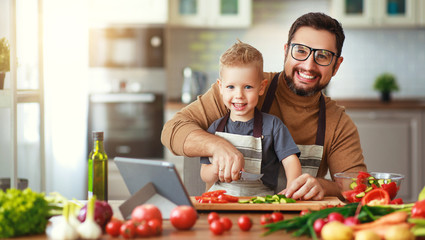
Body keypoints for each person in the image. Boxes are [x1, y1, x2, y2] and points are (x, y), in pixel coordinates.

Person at [161, 12, 367, 200]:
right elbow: (172, 130)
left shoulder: (338, 123)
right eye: (301, 51)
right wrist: (217, 146)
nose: (308, 65)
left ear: (336, 65)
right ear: (286, 51)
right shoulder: (241, 90)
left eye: (322, 56)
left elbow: (357, 186)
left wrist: (324, 185)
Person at [200, 40, 302, 196]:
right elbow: (204, 174)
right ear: (220, 87)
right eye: (231, 87)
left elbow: (290, 161)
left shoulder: (273, 126)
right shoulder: (215, 128)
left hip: (259, 201)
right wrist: (217, 168)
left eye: (248, 87)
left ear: (261, 88)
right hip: (220, 202)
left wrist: (292, 190)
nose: (239, 95)